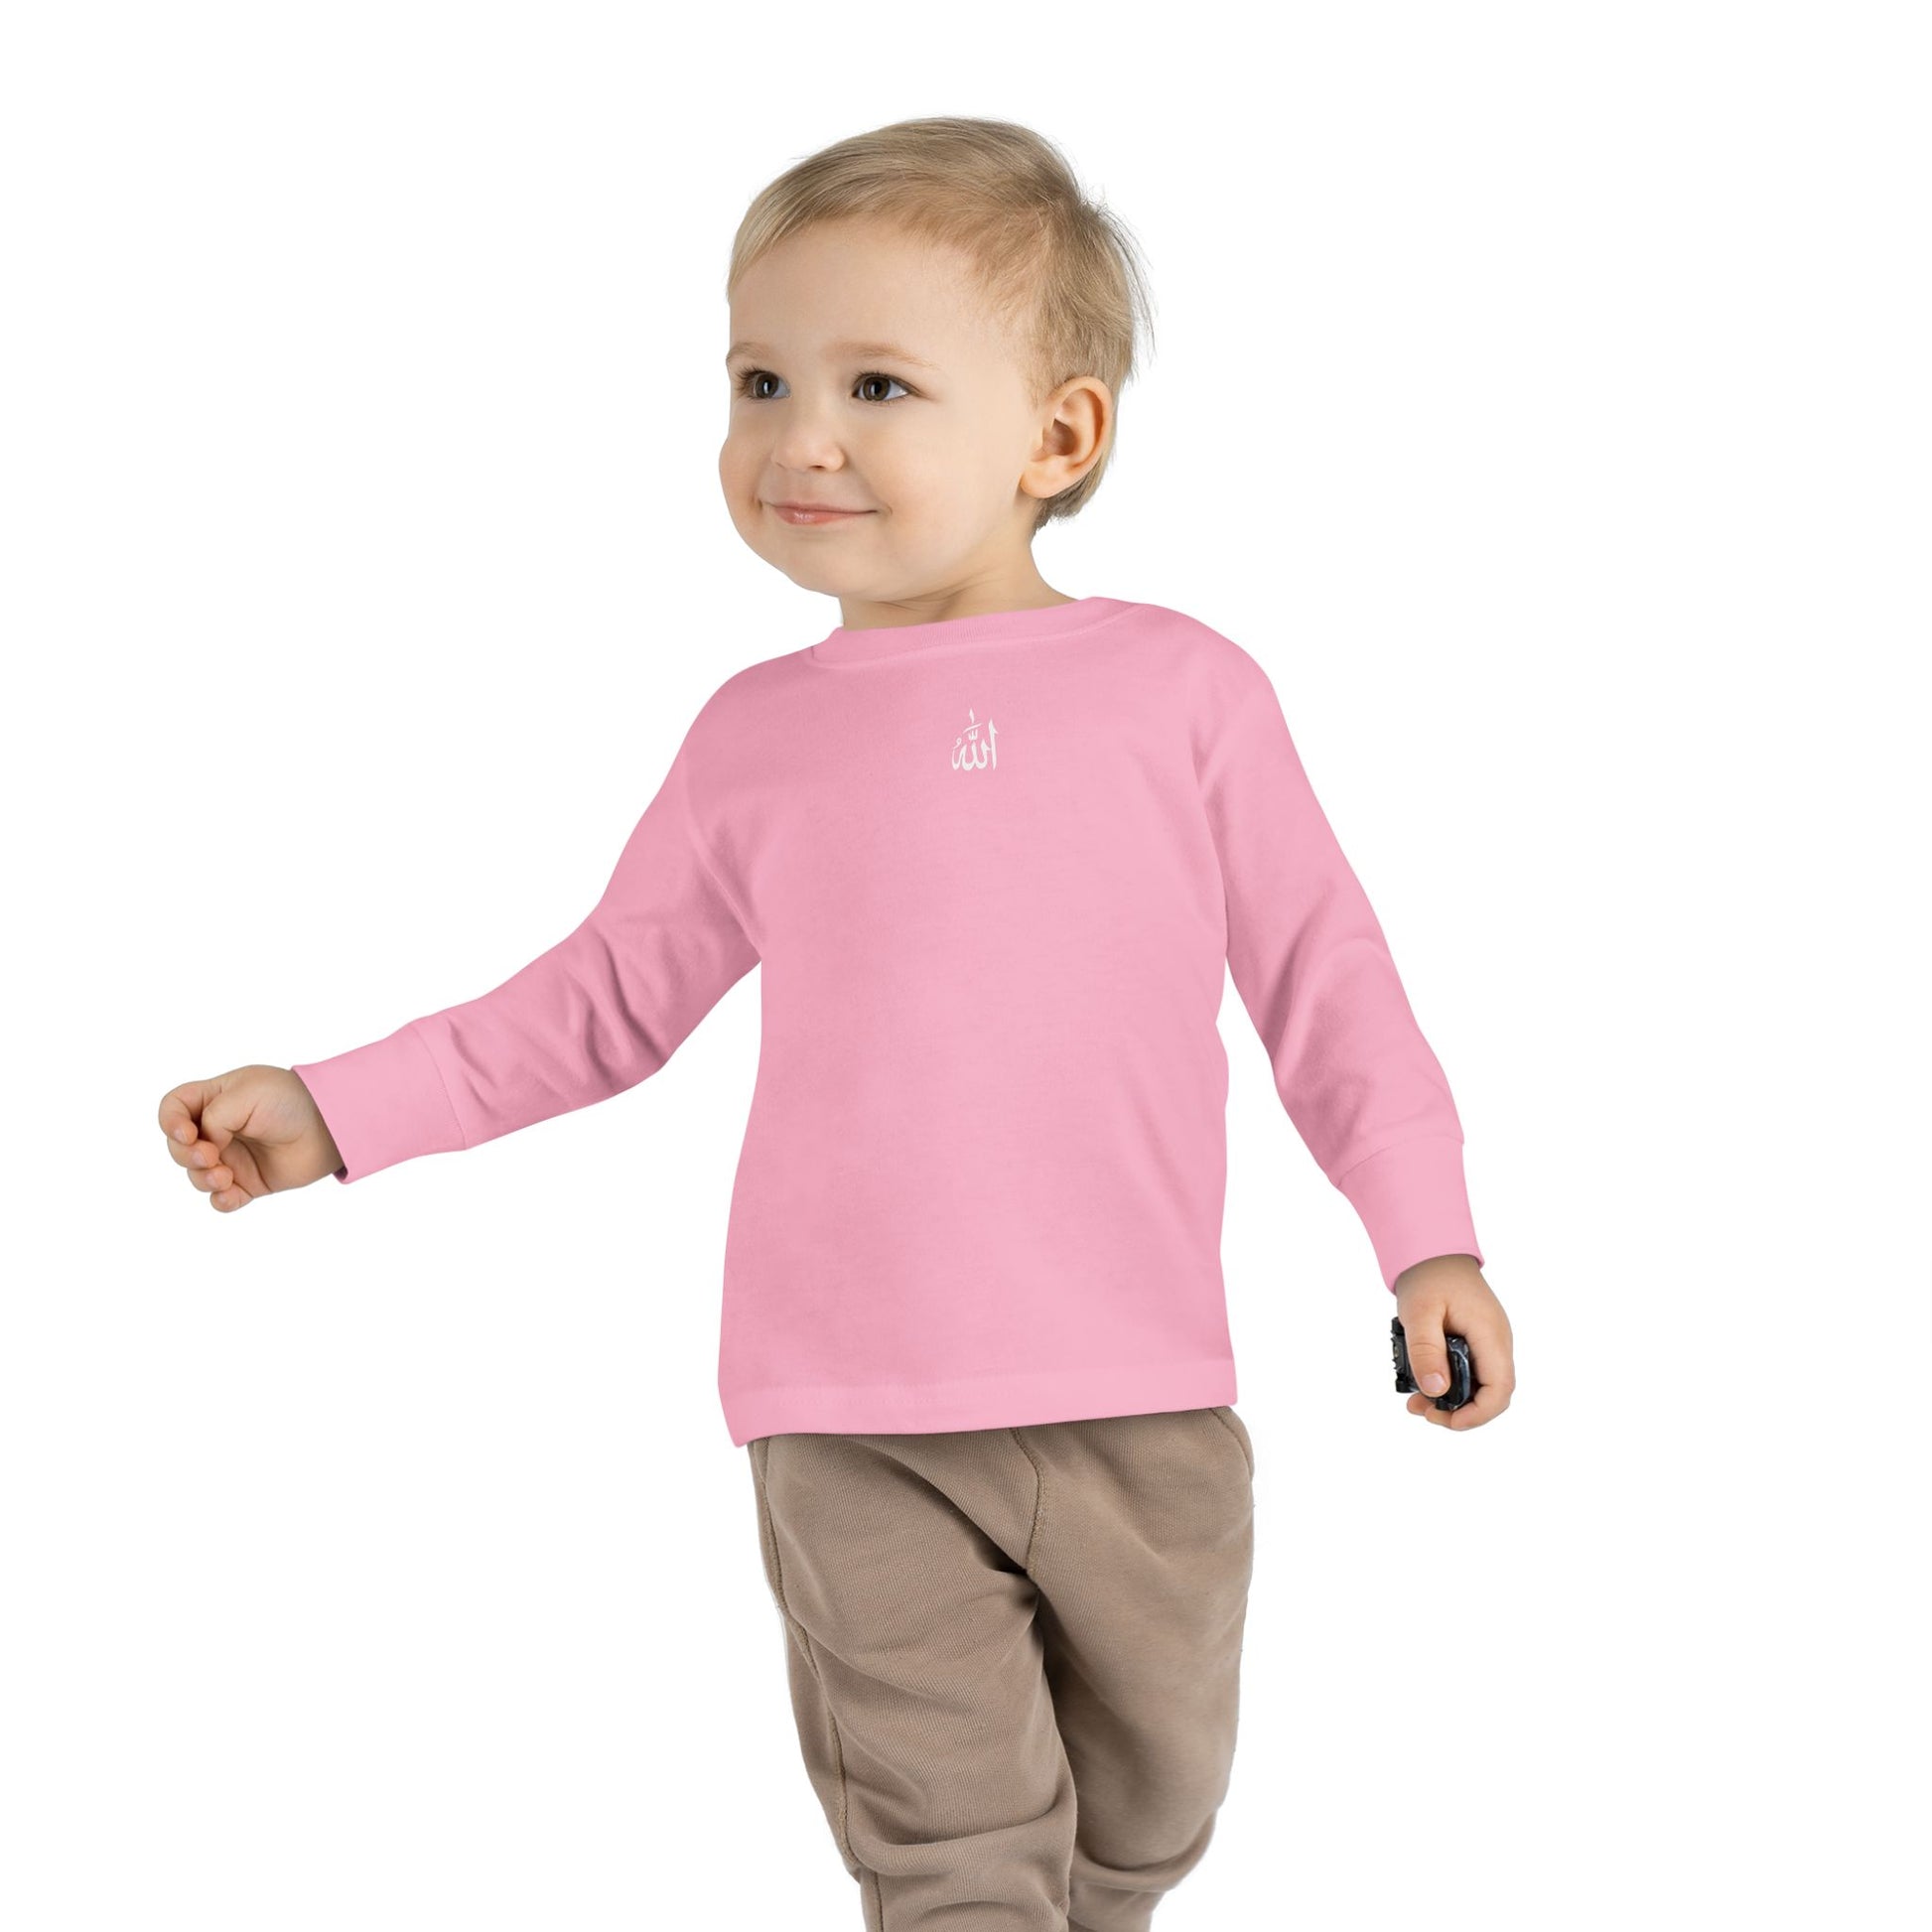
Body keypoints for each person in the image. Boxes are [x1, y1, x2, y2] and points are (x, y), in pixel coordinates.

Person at [157, 115, 1516, 1932]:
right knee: (952, 1853)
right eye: (759, 380)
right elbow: (603, 996)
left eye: (876, 385)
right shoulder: (757, 735)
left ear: (1058, 437)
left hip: (1141, 1393)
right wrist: (338, 1108)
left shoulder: (1181, 691)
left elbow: (1324, 977)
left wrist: (1425, 1240)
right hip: (846, 1405)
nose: (800, 436)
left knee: (1148, 1814)